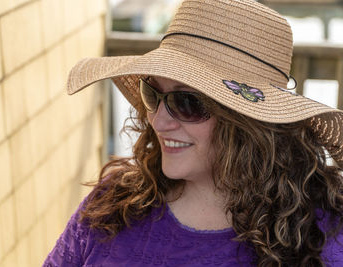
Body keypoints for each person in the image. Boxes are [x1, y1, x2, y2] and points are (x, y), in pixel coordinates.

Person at [43, 0, 343, 266]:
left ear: (250, 122)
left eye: (186, 102)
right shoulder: (112, 206)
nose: (158, 122)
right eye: (153, 93)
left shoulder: (322, 235)